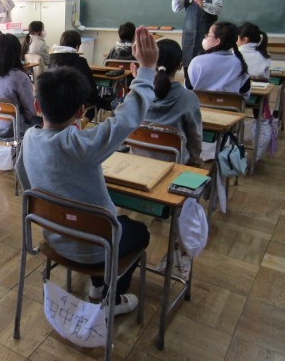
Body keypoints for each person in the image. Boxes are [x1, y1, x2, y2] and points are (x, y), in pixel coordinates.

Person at [15, 26, 158, 313]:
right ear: (81, 111)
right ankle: (110, 298)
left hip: (53, 236)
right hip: (95, 248)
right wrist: (146, 71)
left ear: (37, 106)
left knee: (97, 221)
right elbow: (126, 119)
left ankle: (97, 285)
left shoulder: (28, 139)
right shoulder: (81, 144)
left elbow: (27, 182)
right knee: (139, 231)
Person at [139, 39, 202, 166]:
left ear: (152, 62)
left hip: (138, 160)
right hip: (174, 165)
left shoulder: (139, 94)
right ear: (180, 65)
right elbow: (195, 138)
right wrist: (194, 159)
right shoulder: (189, 98)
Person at [0, 33, 41, 139]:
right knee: (45, 123)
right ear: (17, 53)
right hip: (14, 128)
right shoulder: (20, 77)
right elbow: (31, 112)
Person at [172, 0, 223, 77]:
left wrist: (204, 5)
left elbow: (218, 9)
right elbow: (176, 8)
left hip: (207, 37)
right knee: (188, 70)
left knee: (205, 69)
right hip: (188, 38)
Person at [49, 30, 109, 126]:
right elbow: (91, 87)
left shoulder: (51, 59)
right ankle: (85, 120)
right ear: (77, 47)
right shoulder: (80, 61)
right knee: (98, 101)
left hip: (55, 99)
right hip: (75, 100)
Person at [185, 21, 250, 98]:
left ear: (217, 41)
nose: (205, 37)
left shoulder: (197, 61)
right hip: (230, 105)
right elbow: (245, 94)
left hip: (200, 105)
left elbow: (187, 90)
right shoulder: (239, 63)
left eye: (208, 35)